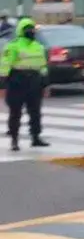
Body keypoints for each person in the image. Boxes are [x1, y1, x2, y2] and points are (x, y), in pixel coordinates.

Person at [1, 18, 50, 151]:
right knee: (15, 112)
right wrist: (3, 85)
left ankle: (35, 137)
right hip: (17, 81)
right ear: (21, 31)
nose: (31, 31)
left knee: (35, 112)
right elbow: (5, 65)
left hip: (34, 81)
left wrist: (45, 84)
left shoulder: (38, 46)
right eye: (27, 29)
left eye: (32, 29)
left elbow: (43, 66)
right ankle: (14, 140)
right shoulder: (13, 46)